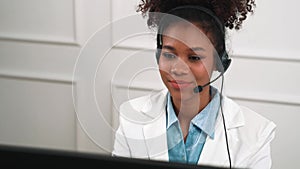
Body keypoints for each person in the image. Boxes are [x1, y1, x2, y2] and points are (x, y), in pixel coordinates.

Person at [112, 0, 276, 169]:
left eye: (194, 57)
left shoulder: (257, 133)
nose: (178, 69)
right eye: (169, 55)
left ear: (219, 63)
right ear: (157, 56)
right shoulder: (131, 119)